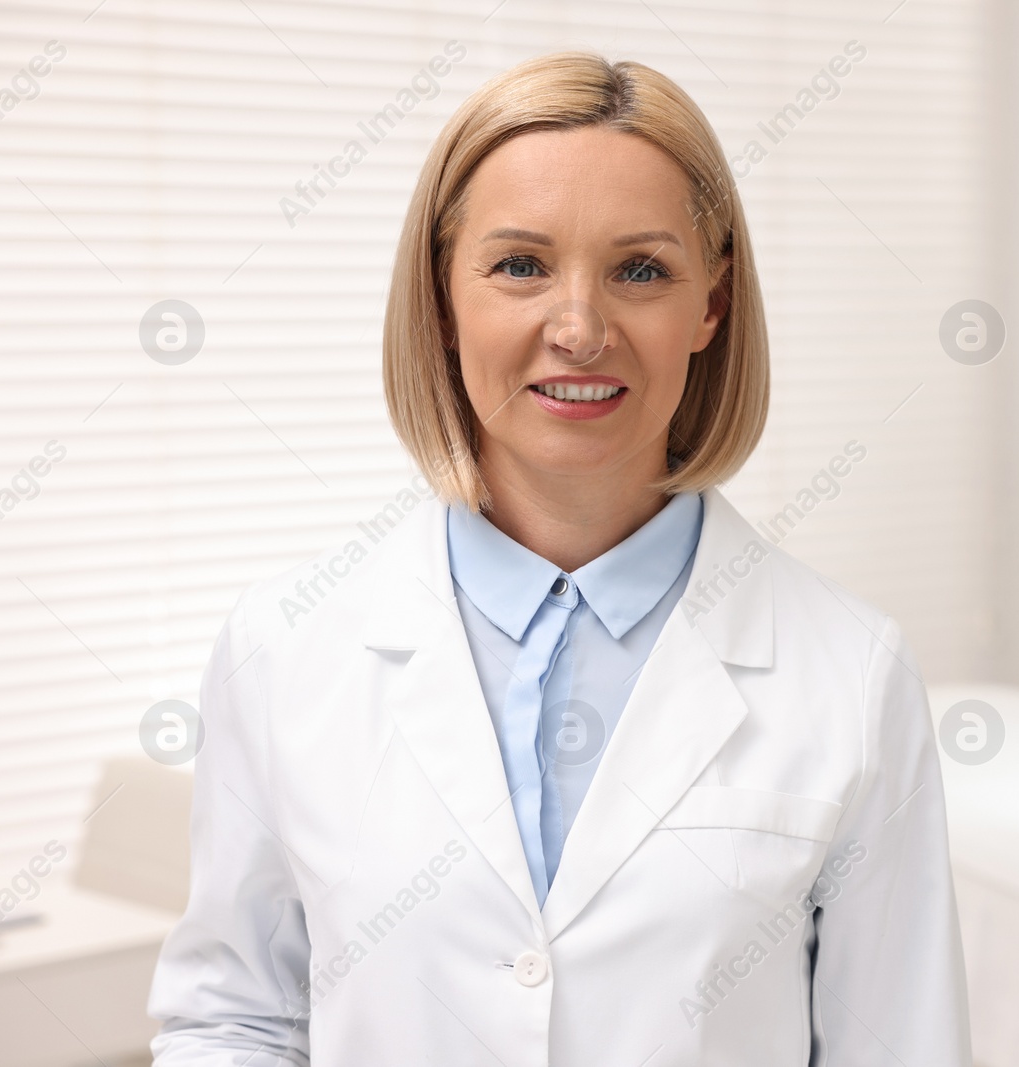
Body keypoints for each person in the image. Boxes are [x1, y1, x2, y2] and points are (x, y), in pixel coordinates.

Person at [148, 51, 970, 1066]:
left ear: (710, 305)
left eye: (641, 270)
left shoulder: (849, 671)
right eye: (520, 265)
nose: (578, 328)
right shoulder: (282, 650)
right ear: (444, 300)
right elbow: (235, 1017)